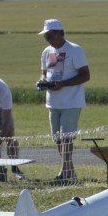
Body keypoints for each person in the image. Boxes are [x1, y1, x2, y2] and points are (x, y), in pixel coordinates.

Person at [38, 19, 90, 184]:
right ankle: (70, 172)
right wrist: (42, 82)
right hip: (53, 102)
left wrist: (63, 84)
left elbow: (85, 75)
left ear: (60, 33)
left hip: (71, 102)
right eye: (46, 36)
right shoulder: (47, 51)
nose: (47, 39)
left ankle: (64, 172)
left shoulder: (75, 50)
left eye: (50, 35)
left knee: (67, 138)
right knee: (58, 139)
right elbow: (45, 73)